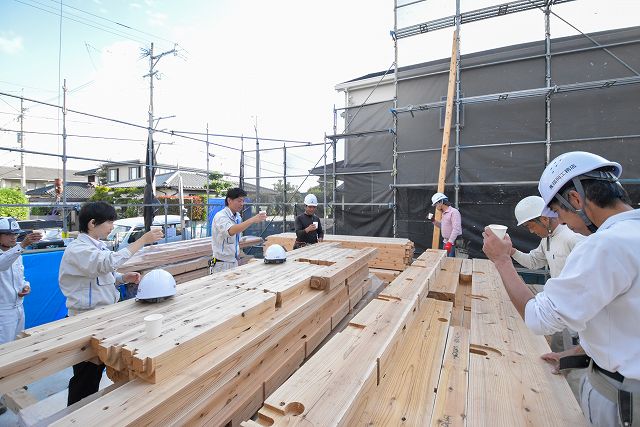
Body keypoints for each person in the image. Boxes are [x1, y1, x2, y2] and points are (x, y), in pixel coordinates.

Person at [482, 151, 639, 427]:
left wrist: (501, 260)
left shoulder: (601, 245)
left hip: (621, 396)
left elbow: (539, 318)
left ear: (576, 199)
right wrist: (579, 354)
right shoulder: (628, 236)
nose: (563, 220)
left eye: (560, 211)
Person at [59, 201, 163, 406]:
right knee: (86, 377)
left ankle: (94, 410)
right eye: (109, 222)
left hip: (104, 317)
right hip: (85, 319)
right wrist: (142, 240)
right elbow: (105, 263)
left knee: (100, 370)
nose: (112, 226)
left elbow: (101, 274)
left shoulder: (95, 246)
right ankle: (77, 417)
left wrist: (123, 278)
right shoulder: (78, 249)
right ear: (92, 223)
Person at [511, 195, 585, 351]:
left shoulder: (573, 238)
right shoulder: (547, 239)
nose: (531, 231)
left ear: (544, 219)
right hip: (560, 309)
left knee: (576, 357)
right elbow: (533, 262)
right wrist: (511, 251)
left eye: (530, 226)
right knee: (559, 352)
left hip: (577, 313)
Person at [0, 217, 42, 346]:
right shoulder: (16, 251)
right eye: (8, 234)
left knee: (17, 346)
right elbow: (2, 264)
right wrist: (22, 245)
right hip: (3, 311)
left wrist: (25, 286)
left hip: (19, 307)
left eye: (15, 234)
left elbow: (20, 277)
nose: (13, 237)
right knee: (4, 350)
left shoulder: (17, 254)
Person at [210, 187, 266, 274]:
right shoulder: (221, 216)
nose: (242, 204)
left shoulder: (238, 217)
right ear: (229, 200)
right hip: (222, 264)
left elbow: (236, 239)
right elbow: (231, 231)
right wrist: (252, 220)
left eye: (243, 201)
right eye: (239, 201)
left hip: (234, 261)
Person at [429, 192, 462, 257]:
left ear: (441, 202)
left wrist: (450, 242)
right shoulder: (444, 213)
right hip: (446, 242)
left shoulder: (454, 212)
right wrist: (433, 220)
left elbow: (456, 229)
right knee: (446, 262)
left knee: (452, 263)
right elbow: (442, 226)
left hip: (454, 243)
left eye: (436, 204)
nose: (436, 207)